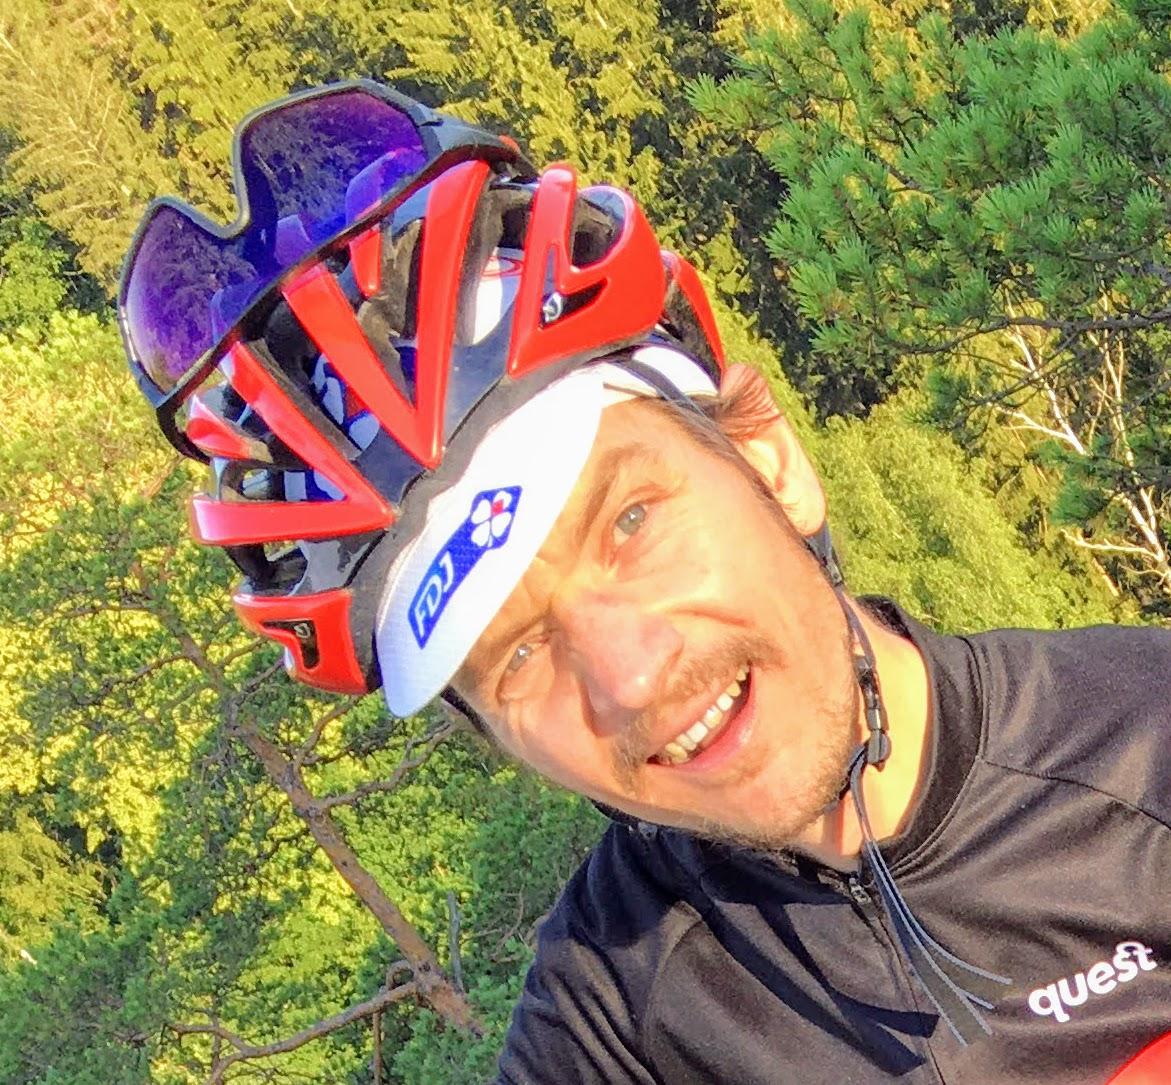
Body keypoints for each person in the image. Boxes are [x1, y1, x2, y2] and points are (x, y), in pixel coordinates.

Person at [121, 80, 1171, 1084]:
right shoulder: (615, 1017)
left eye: (629, 521)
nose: (628, 676)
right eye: (513, 654)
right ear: (491, 736)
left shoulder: (1143, 739)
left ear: (765, 457)